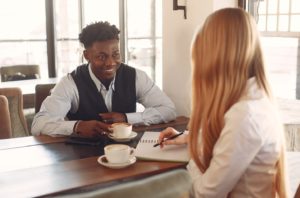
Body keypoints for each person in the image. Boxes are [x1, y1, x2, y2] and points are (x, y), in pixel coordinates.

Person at [158, 8, 288, 197]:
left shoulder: (245, 116)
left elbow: (204, 193)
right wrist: (187, 137)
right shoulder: (254, 100)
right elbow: (229, 141)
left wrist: (195, 149)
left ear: (215, 61)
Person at [32, 21, 176, 137]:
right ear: (86, 55)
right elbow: (39, 125)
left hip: (129, 153)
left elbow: (168, 110)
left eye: (115, 54)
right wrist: (77, 127)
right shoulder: (70, 83)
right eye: (101, 57)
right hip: (84, 159)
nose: (110, 63)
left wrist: (126, 118)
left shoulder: (136, 77)